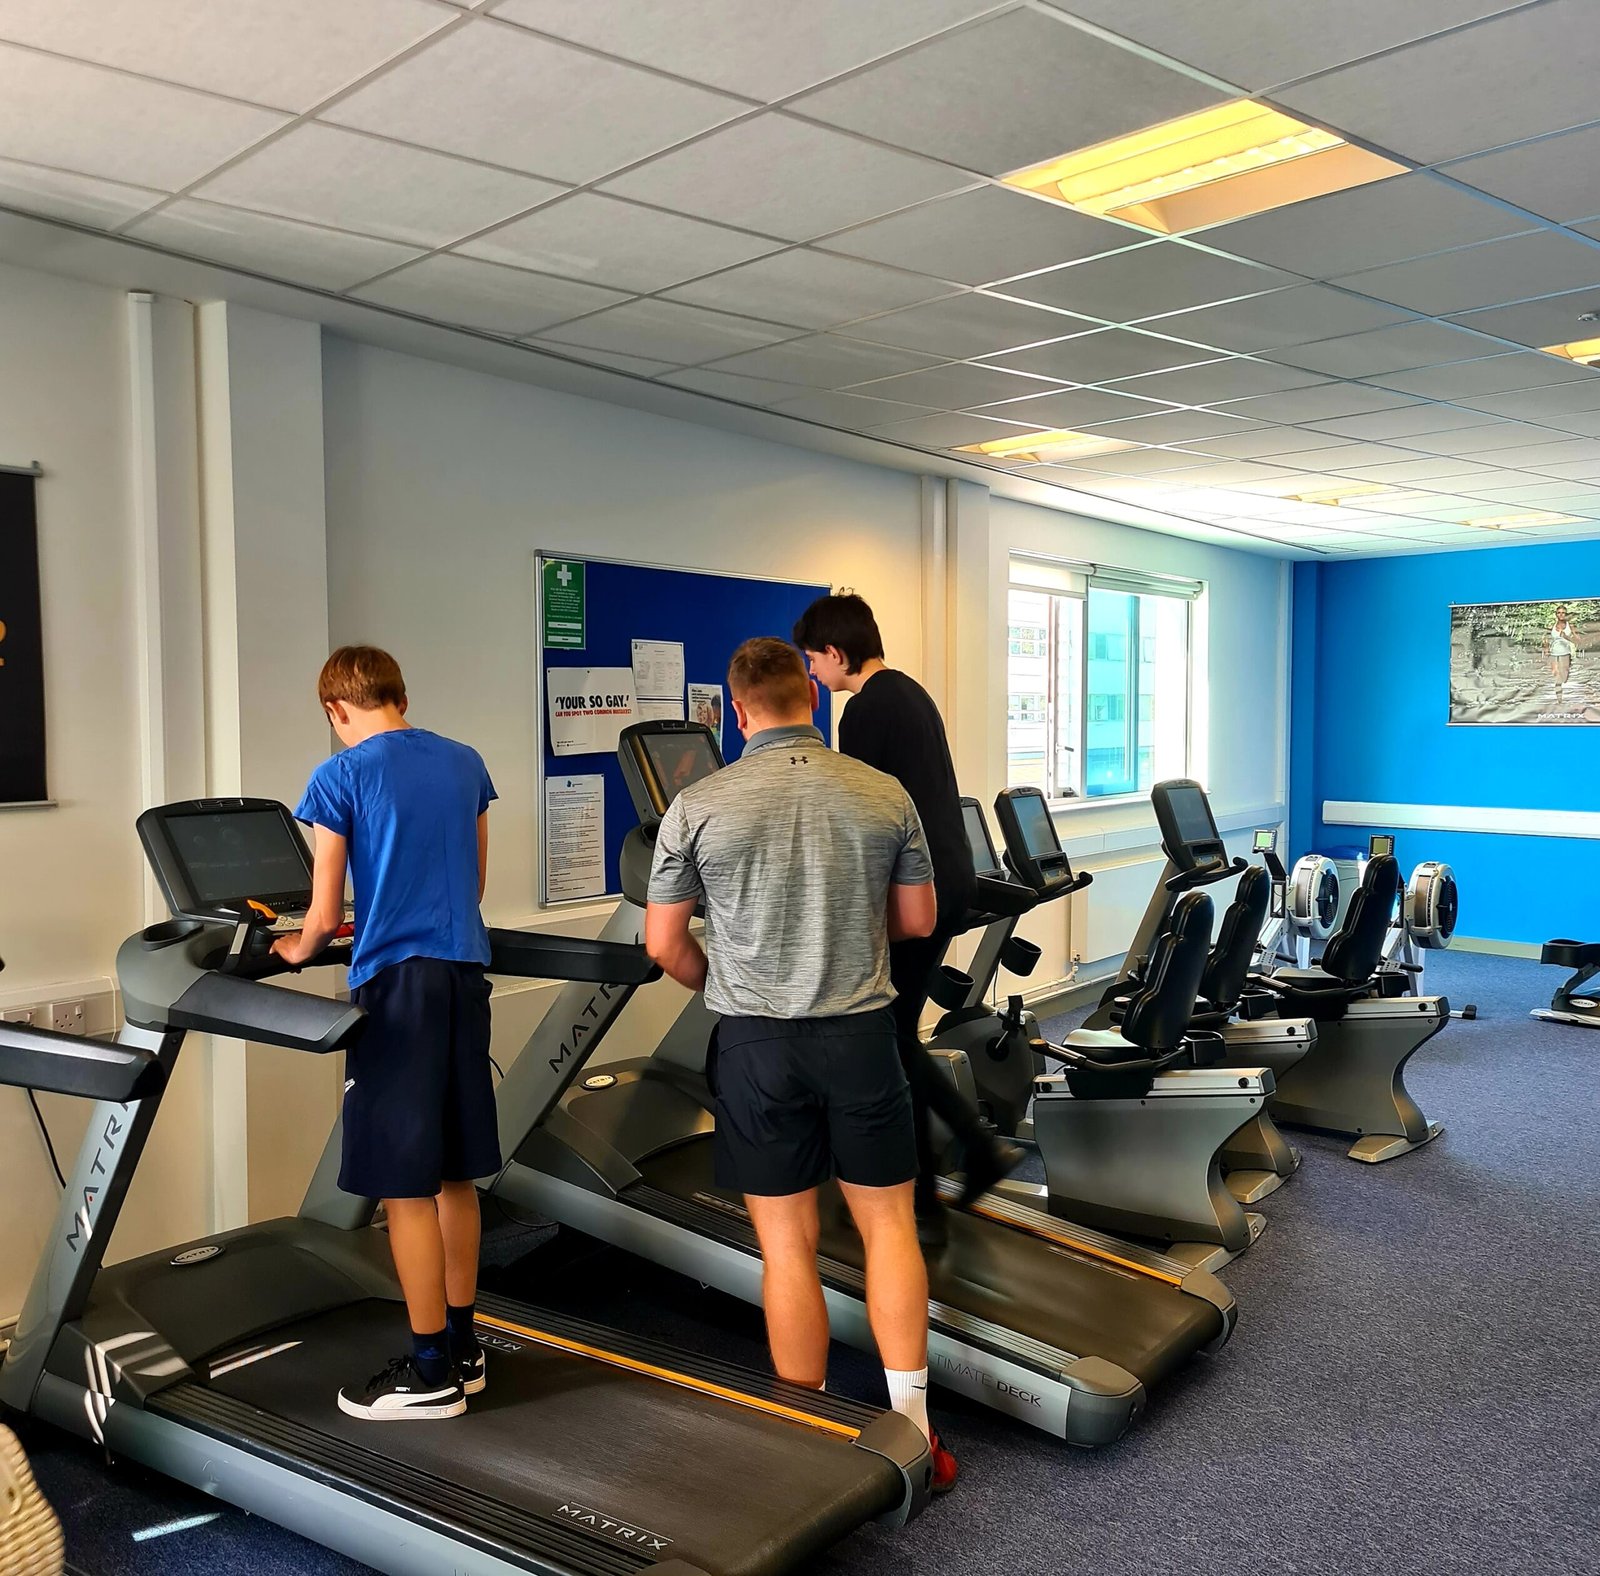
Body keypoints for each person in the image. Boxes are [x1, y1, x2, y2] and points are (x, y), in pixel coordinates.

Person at [644, 637, 959, 1492]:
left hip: (756, 1043)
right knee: (887, 1226)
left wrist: (727, 977)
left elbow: (664, 944)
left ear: (738, 712)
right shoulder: (882, 792)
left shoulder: (698, 805)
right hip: (859, 1033)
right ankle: (916, 1433)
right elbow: (920, 917)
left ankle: (807, 1442)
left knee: (787, 1248)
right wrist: (849, 938)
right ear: (811, 704)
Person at [273, 645, 499, 1422]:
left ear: (337, 709)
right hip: (465, 977)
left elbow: (325, 907)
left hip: (397, 988)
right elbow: (472, 885)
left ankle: (430, 1370)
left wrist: (294, 949)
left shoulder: (340, 775)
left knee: (404, 1186)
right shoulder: (465, 762)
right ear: (398, 694)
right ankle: (466, 1350)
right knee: (455, 1176)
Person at [794, 593, 1022, 1246]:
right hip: (947, 881)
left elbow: (865, 816)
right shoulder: (910, 693)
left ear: (836, 653)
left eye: (815, 659)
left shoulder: (865, 710)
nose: (813, 673)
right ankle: (962, 1163)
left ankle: (927, 1193)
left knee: (887, 1042)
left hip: (909, 893)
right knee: (897, 1037)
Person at [1547, 605, 1577, 701]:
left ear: (1566, 614)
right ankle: (1559, 699)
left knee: (1564, 677)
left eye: (1563, 612)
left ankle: (1562, 684)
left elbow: (1578, 641)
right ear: (1556, 614)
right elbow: (1546, 638)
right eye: (1559, 612)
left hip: (1565, 653)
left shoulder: (1570, 626)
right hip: (1553, 654)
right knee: (1557, 676)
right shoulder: (1552, 625)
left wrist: (1566, 637)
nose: (1561, 614)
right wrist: (1546, 647)